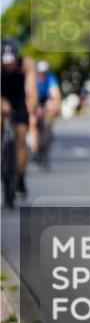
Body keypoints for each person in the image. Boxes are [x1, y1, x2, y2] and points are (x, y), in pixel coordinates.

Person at [1, 39, 37, 202]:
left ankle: (20, 176)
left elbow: (31, 89)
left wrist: (32, 106)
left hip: (19, 101)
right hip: (2, 99)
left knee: (22, 136)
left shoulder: (26, 64)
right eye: (5, 62)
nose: (8, 66)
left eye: (11, 62)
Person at [31, 60, 61, 166]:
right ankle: (34, 150)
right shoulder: (33, 78)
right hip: (35, 100)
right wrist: (35, 107)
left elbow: (56, 93)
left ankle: (49, 129)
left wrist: (56, 105)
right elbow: (30, 94)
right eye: (40, 72)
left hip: (46, 100)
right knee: (33, 123)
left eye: (44, 72)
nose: (42, 74)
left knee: (51, 111)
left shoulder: (51, 78)